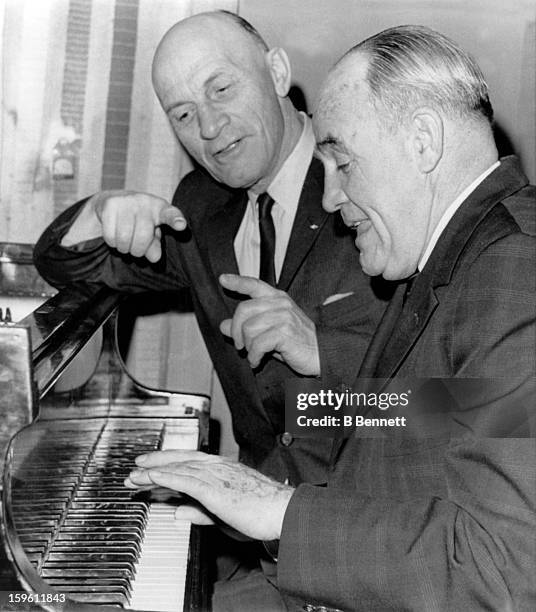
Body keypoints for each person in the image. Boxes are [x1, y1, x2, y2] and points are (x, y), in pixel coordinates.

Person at [126, 25, 536, 611]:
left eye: (342, 160)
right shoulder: (460, 253)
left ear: (422, 141)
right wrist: (259, 492)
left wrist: (279, 512)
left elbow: (507, 577)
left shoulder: (519, 269)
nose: (330, 196)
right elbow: (439, 410)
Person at [34, 10, 388, 487]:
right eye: (183, 113)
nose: (208, 126)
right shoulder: (198, 206)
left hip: (368, 527)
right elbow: (68, 265)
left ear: (277, 73)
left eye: (221, 89)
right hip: (251, 536)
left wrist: (323, 352)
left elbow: (481, 415)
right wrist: (99, 210)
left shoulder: (372, 178)